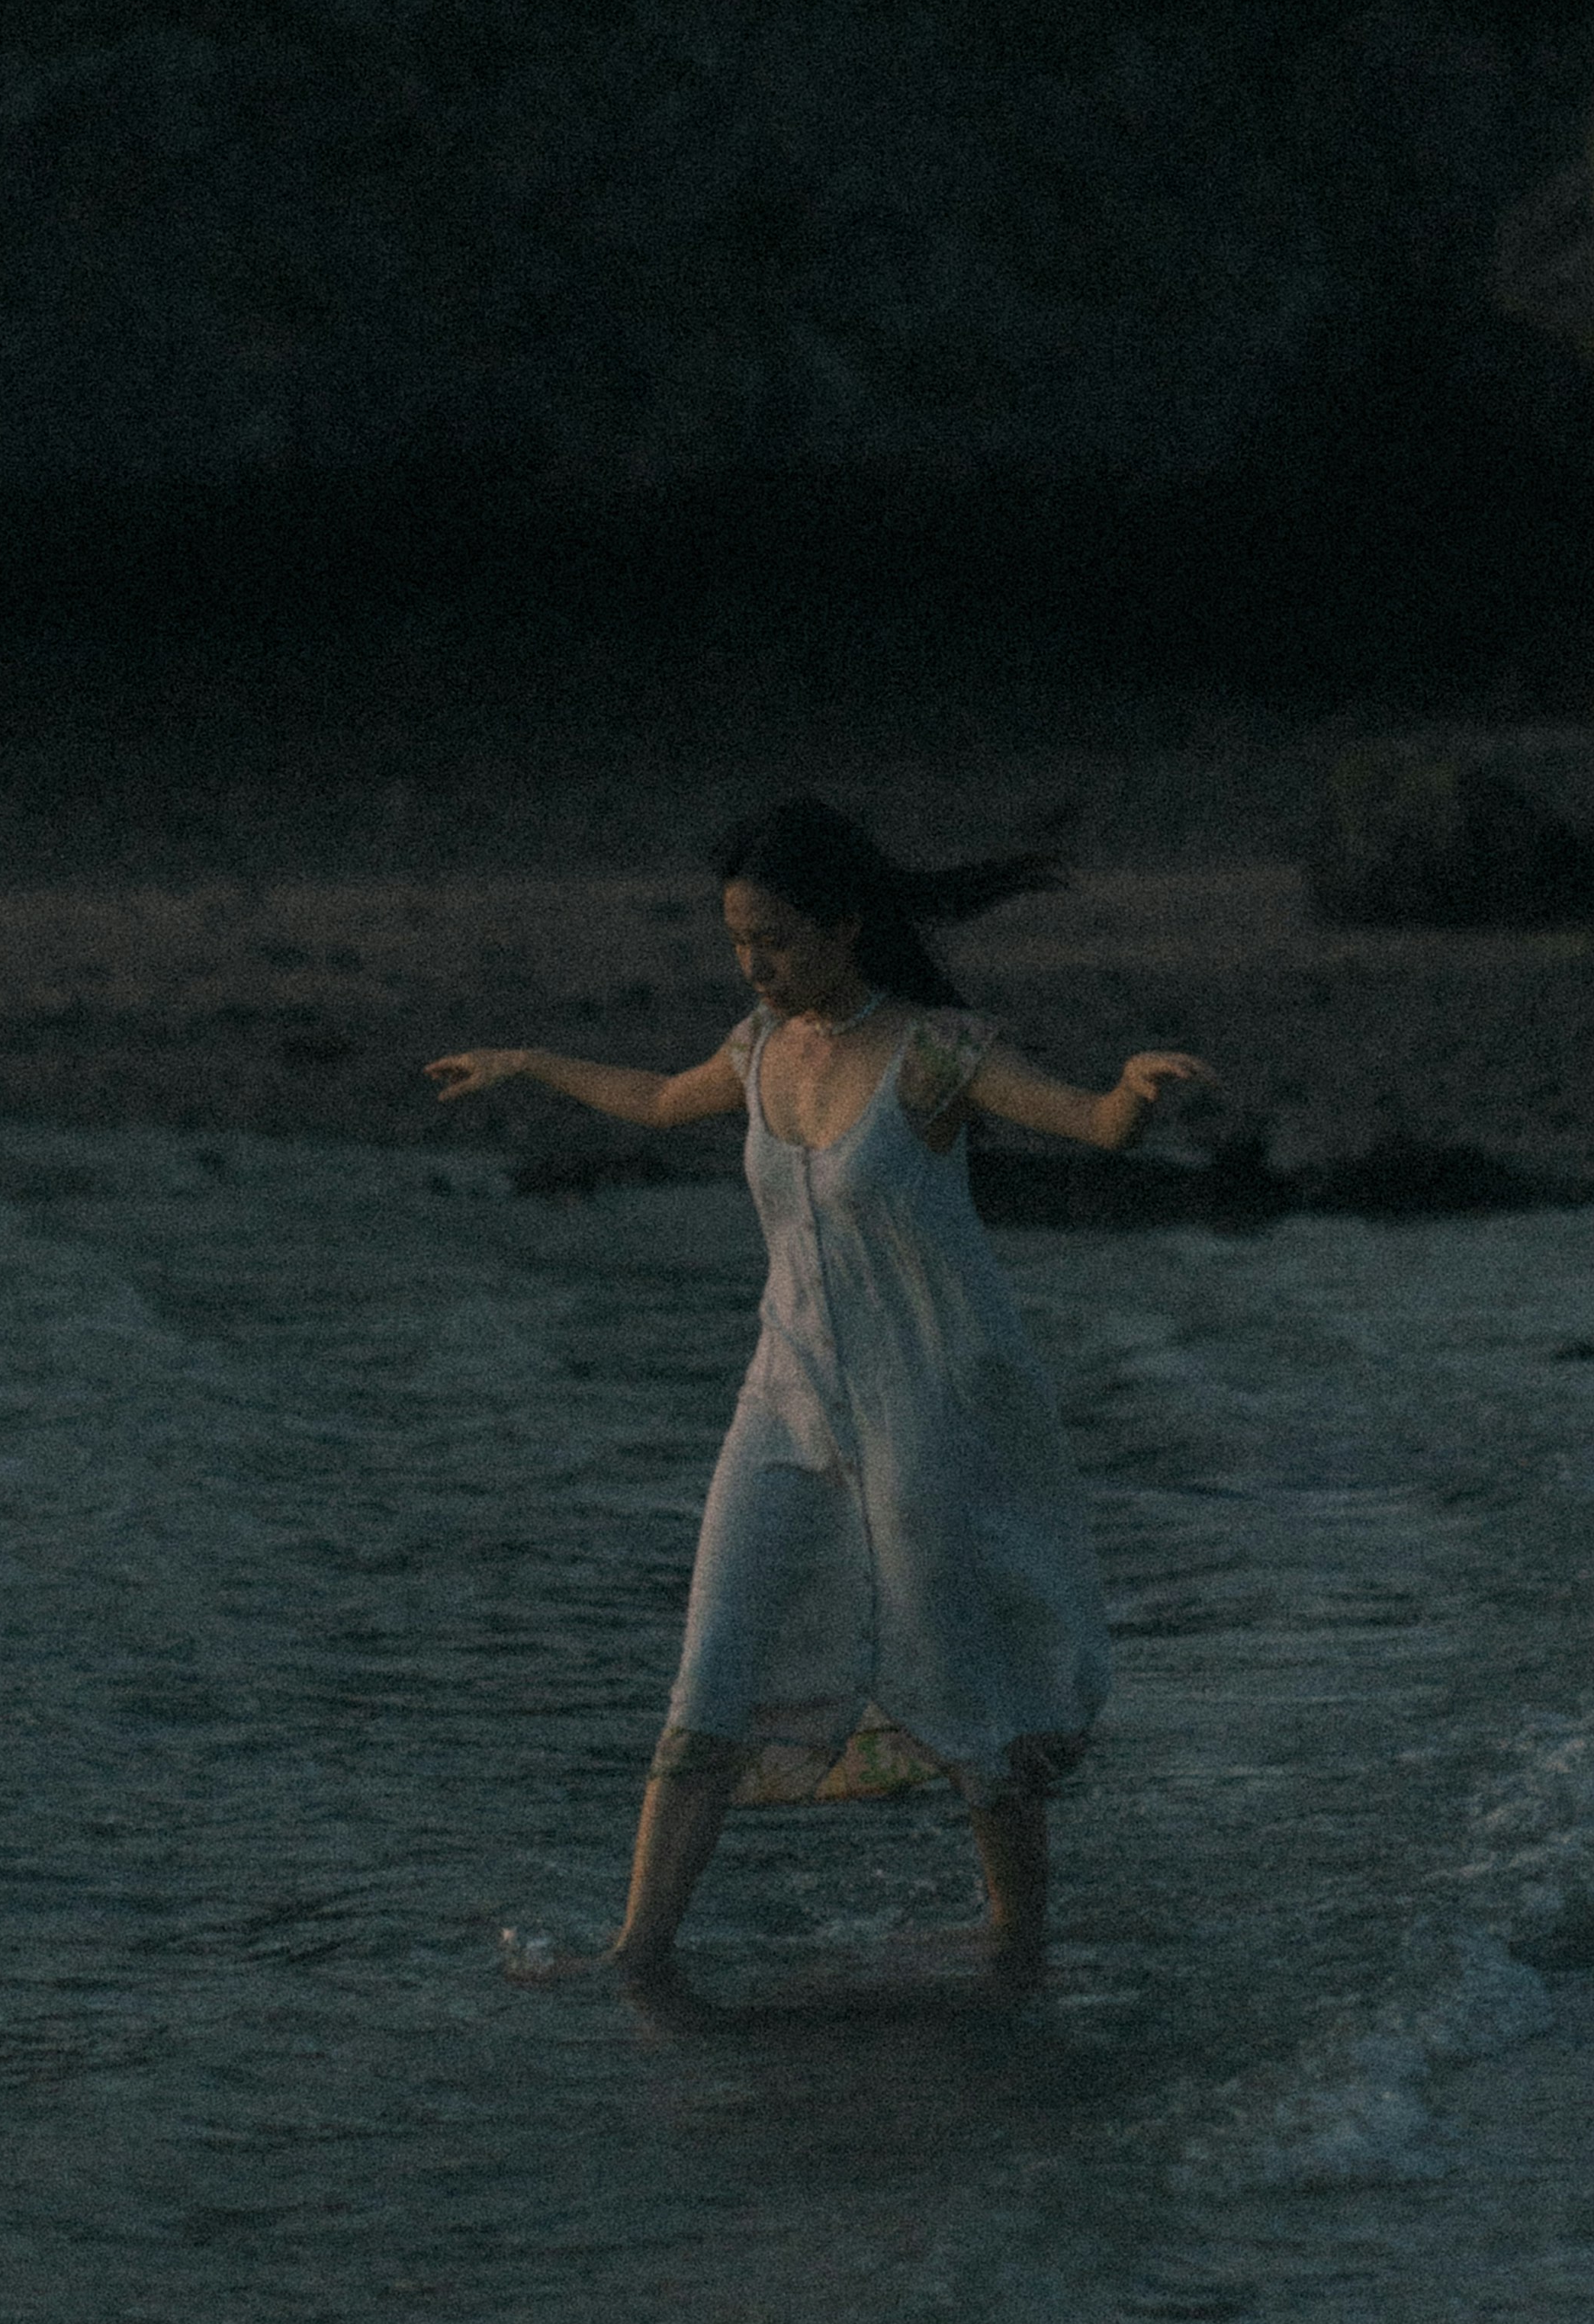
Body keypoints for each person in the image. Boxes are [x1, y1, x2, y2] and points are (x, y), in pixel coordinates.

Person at [426, 792, 1215, 1985]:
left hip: (925, 1414)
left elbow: (1093, 1125)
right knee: (712, 1667)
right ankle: (637, 1953)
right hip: (783, 1404)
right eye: (740, 940)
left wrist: (1137, 1095)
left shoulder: (936, 1051)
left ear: (848, 926)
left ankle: (1020, 1944)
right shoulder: (756, 1048)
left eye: (778, 940)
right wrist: (529, 1061)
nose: (757, 963)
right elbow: (656, 1096)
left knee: (958, 1684)